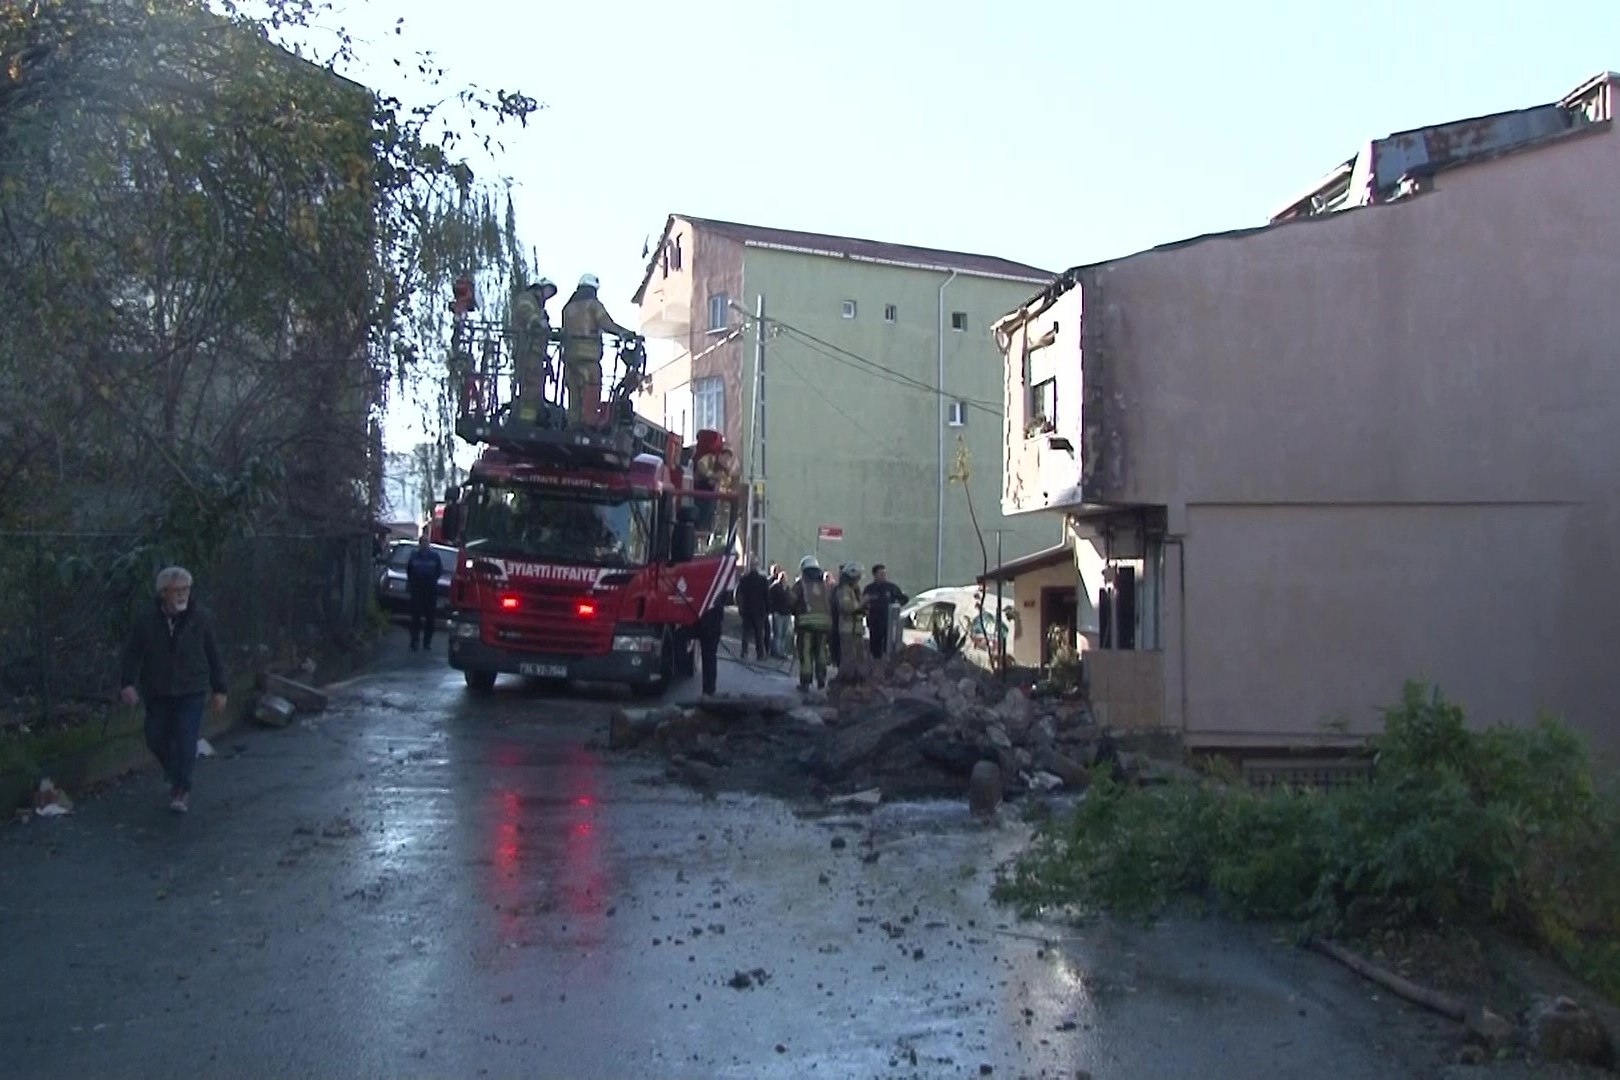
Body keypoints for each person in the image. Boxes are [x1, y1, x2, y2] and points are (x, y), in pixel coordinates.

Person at [119, 566, 227, 814]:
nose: (182, 595)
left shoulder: (201, 617)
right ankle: (174, 772)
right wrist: (127, 684)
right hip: (157, 689)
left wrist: (220, 689)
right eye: (176, 590)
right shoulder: (146, 621)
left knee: (185, 737)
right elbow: (132, 654)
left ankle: (182, 789)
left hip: (191, 688)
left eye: (185, 589)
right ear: (162, 593)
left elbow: (214, 654)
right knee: (155, 736)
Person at [560, 273, 636, 428]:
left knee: (574, 392)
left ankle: (573, 424)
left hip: (570, 357)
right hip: (588, 356)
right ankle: (587, 424)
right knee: (591, 388)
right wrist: (624, 333)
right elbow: (606, 324)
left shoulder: (567, 308)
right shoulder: (593, 305)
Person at [509, 278, 557, 424]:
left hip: (535, 352)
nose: (547, 296)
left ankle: (533, 417)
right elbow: (525, 312)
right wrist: (537, 321)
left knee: (535, 386)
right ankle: (526, 421)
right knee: (531, 387)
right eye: (547, 291)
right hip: (527, 349)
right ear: (538, 288)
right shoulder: (526, 298)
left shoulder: (538, 306)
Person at [790, 555, 832, 692]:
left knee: (806, 654)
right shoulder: (825, 586)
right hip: (824, 625)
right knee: (821, 653)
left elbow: (791, 600)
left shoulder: (800, 584)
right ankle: (821, 681)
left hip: (805, 625)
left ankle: (806, 682)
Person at [863, 563, 909, 659]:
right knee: (875, 646)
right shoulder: (869, 589)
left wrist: (897, 606)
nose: (883, 576)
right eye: (881, 574)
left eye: (884, 574)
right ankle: (876, 664)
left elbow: (904, 599)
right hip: (874, 623)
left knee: (888, 646)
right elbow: (863, 603)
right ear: (875, 575)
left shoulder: (891, 588)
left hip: (888, 623)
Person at [405, 533, 442, 651]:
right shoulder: (414, 556)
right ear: (420, 544)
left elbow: (438, 571)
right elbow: (409, 571)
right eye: (423, 542)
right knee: (415, 617)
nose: (425, 544)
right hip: (417, 590)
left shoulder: (435, 557)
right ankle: (414, 641)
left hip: (430, 591)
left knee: (430, 618)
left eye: (427, 542)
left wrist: (431, 581)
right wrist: (414, 583)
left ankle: (427, 643)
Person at [832, 562, 868, 680]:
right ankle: (844, 681)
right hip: (847, 629)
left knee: (859, 657)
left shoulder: (853, 590)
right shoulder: (844, 590)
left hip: (856, 628)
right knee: (848, 658)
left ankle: (856, 679)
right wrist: (861, 603)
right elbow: (846, 607)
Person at [735, 559, 770, 661]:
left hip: (747, 610)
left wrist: (740, 608)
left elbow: (739, 595)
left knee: (746, 632)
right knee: (758, 633)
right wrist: (768, 609)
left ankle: (744, 652)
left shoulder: (744, 580)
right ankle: (760, 654)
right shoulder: (763, 580)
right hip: (759, 611)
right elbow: (766, 596)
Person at [767, 563, 793, 659]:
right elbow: (769, 599)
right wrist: (772, 610)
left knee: (784, 635)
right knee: (777, 634)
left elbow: (791, 599)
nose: (784, 579)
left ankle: (782, 652)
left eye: (785, 577)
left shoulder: (787, 588)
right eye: (782, 577)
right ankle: (776, 652)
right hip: (778, 613)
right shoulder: (774, 587)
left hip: (786, 613)